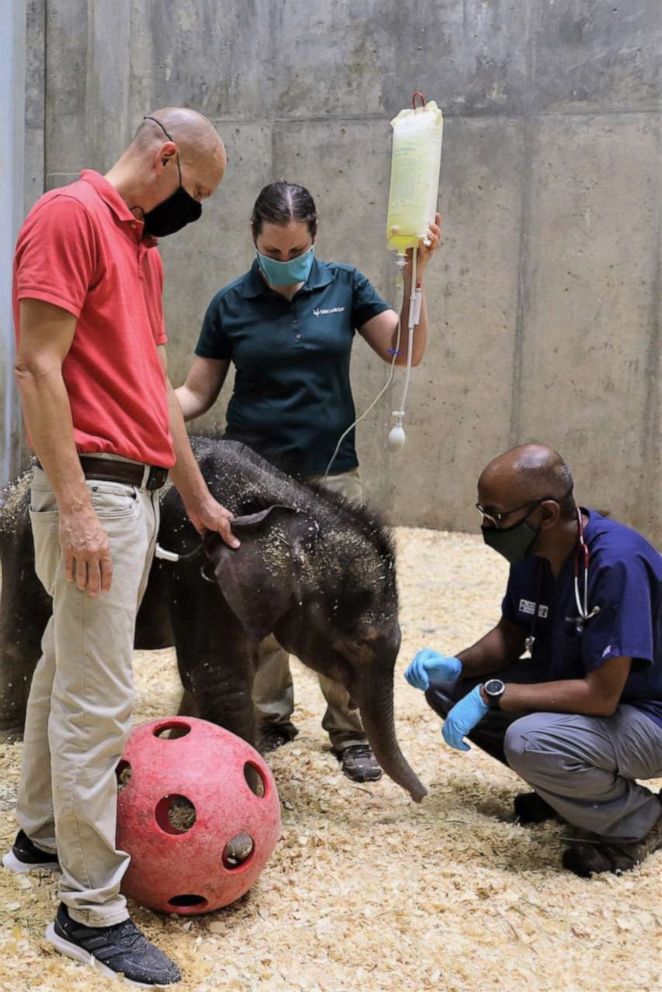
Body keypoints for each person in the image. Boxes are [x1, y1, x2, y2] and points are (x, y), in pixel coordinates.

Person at [3, 108, 240, 986]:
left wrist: (199, 497)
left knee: (68, 670)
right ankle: (90, 910)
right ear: (166, 155)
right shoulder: (69, 217)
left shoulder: (142, 247)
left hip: (129, 486)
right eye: (199, 193)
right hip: (91, 488)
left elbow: (154, 390)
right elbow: (35, 365)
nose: (197, 211)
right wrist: (78, 510)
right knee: (99, 704)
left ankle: (37, 836)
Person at [176, 181, 441, 783]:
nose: (287, 262)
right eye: (274, 251)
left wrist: (417, 279)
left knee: (344, 612)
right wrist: (146, 405)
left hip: (332, 479)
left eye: (297, 250)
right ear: (254, 240)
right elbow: (196, 392)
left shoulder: (345, 285)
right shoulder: (229, 304)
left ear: (315, 239)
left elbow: (406, 352)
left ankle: (351, 730)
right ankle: (268, 717)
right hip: (253, 485)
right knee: (257, 605)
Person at [405, 443, 662, 877]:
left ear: (544, 513)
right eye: (483, 513)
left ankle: (640, 821)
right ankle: (569, 791)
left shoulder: (615, 563)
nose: (488, 526)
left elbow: (602, 696)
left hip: (646, 713)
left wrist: (493, 693)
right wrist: (455, 666)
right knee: (450, 690)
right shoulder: (535, 551)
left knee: (530, 740)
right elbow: (510, 635)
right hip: (584, 694)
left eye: (497, 517)